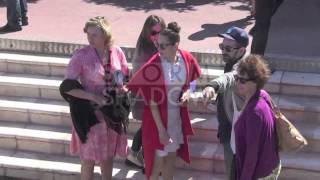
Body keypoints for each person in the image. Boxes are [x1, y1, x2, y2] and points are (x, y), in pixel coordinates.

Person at [126, 22, 201, 180]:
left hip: (176, 119)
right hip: (156, 122)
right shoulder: (155, 64)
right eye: (157, 45)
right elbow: (152, 102)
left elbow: (193, 81)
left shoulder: (186, 58)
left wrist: (188, 92)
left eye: (163, 46)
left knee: (171, 160)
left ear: (176, 45)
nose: (158, 50)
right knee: (155, 166)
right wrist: (161, 130)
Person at [62, 16, 128, 180]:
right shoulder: (81, 55)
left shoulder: (117, 52)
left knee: (107, 160)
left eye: (94, 35)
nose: (90, 38)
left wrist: (120, 87)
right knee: (88, 161)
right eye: (88, 34)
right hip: (91, 117)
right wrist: (93, 97)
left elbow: (124, 76)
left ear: (105, 35)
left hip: (111, 115)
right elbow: (67, 87)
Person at [202, 26, 249, 180]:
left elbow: (229, 78)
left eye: (228, 48)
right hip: (229, 129)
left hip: (237, 133)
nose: (224, 51)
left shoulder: (241, 69)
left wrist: (212, 86)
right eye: (222, 46)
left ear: (241, 51)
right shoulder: (231, 62)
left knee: (235, 173)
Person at [126, 15, 166, 169]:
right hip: (146, 96)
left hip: (155, 96)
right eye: (153, 33)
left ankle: (135, 154)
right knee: (151, 127)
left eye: (160, 32)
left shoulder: (159, 44)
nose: (157, 36)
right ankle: (143, 159)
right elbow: (141, 76)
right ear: (147, 33)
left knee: (150, 127)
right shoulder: (144, 48)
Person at [234, 55, 281, 179]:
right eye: (236, 78)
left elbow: (251, 154)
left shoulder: (254, 112)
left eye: (243, 80)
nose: (238, 82)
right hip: (270, 166)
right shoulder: (263, 95)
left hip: (260, 173)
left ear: (255, 81)